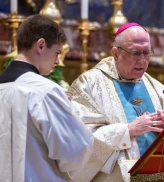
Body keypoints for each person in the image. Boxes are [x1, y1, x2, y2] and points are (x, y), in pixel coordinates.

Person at [67, 22, 164, 182]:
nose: (142, 60)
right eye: (135, 52)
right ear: (116, 53)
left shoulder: (158, 89)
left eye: (147, 52)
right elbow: (77, 137)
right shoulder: (90, 84)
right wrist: (127, 130)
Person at [0, 14, 94, 182]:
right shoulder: (45, 91)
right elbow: (76, 151)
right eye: (57, 52)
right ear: (41, 45)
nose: (57, 61)